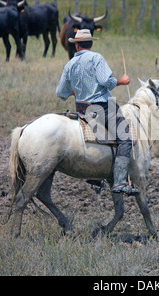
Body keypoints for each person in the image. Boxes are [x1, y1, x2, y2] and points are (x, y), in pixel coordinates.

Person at [56, 29, 138, 195]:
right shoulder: (96, 58)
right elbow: (105, 81)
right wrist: (122, 81)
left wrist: (77, 92)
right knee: (125, 139)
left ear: (77, 45)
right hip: (101, 108)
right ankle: (120, 182)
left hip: (82, 109)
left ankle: (97, 174)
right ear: (91, 44)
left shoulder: (70, 64)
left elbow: (61, 92)